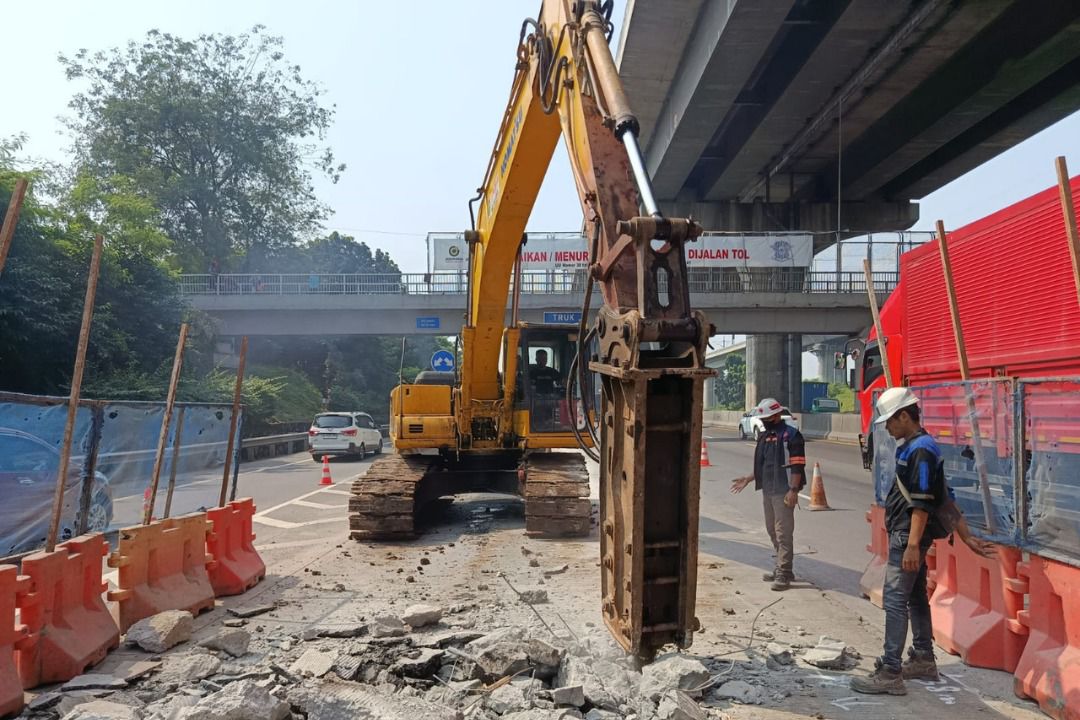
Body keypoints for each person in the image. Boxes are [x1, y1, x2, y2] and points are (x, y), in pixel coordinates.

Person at [851, 386, 996, 696]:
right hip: (908, 535)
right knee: (915, 596)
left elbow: (923, 502)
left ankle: (891, 671)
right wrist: (967, 537)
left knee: (894, 600)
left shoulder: (921, 450)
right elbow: (945, 497)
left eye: (890, 421)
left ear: (905, 415)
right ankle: (923, 658)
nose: (888, 428)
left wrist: (914, 545)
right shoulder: (916, 446)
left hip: (908, 537)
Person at [730, 397, 806, 591]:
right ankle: (783, 568)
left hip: (784, 492)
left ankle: (783, 573)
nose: (763, 420)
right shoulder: (765, 437)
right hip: (768, 491)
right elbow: (763, 466)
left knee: (783, 533)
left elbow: (797, 466)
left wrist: (793, 490)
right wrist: (748, 479)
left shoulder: (791, 435)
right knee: (772, 530)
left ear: (776, 415)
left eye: (766, 417)